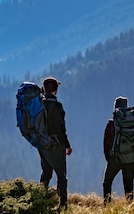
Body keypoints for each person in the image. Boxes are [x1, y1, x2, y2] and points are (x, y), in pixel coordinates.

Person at [40, 77, 73, 209]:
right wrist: (67, 145)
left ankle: (41, 200)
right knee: (61, 175)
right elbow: (61, 129)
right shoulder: (57, 106)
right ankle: (63, 204)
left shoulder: (40, 104)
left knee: (46, 172)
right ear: (56, 90)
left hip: (42, 144)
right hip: (56, 144)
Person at [103, 96, 134, 203]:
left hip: (115, 158)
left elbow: (106, 143)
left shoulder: (112, 124)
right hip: (130, 158)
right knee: (129, 186)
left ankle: (107, 206)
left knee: (107, 182)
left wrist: (109, 158)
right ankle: (130, 207)